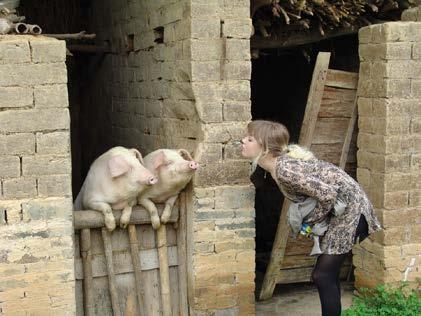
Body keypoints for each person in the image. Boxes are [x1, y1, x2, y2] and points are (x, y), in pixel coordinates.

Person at [241, 120, 382, 316]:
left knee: (322, 275)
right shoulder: (276, 167)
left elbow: (328, 195)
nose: (242, 141)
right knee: (327, 275)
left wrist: (311, 220)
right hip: (342, 212)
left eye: (249, 139)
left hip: (351, 212)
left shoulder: (285, 171)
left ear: (264, 148)